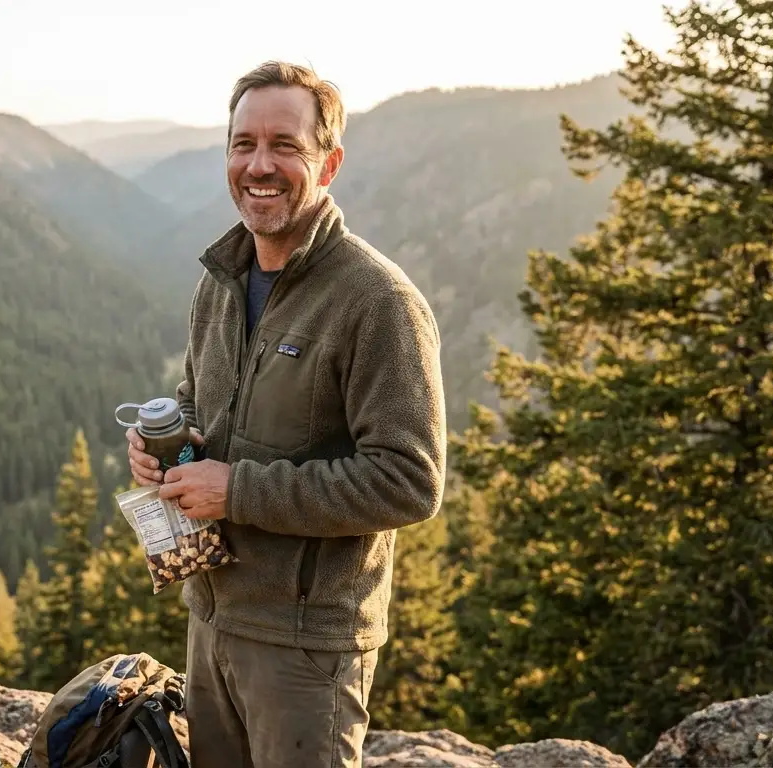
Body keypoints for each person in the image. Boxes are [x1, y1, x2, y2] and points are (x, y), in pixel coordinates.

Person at [126, 61, 447, 768]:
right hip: (212, 621)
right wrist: (162, 447)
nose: (258, 165)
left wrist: (234, 489)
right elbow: (195, 400)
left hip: (306, 650)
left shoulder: (376, 301)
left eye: (284, 146)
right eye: (243, 144)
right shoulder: (221, 282)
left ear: (327, 163)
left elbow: (409, 481)